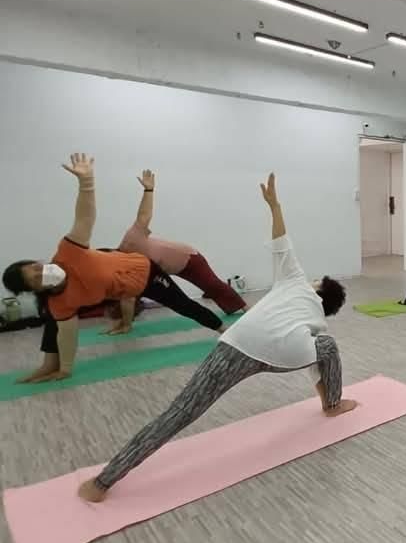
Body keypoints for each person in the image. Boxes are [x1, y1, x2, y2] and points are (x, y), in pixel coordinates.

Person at [77, 172, 355, 503]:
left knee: (180, 413)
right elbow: (316, 361)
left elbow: (282, 239)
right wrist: (326, 395)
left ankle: (102, 483)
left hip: (238, 343)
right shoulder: (317, 322)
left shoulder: (294, 279)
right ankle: (333, 405)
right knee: (328, 347)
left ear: (318, 287)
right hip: (287, 351)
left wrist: (274, 206)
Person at [2, 154, 225, 384]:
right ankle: (49, 365)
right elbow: (68, 335)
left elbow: (85, 217)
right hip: (108, 289)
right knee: (54, 316)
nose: (42, 272)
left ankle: (223, 330)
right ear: (35, 289)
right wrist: (65, 369)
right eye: (36, 279)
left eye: (36, 267)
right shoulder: (59, 302)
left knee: (183, 305)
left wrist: (86, 181)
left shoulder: (68, 253)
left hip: (146, 274)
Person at [116, 169, 247, 326]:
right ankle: (127, 320)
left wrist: (148, 190)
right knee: (133, 292)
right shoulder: (126, 270)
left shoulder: (131, 240)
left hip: (188, 259)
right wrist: (126, 324)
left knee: (212, 285)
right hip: (169, 268)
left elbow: (144, 215)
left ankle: (246, 309)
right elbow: (129, 296)